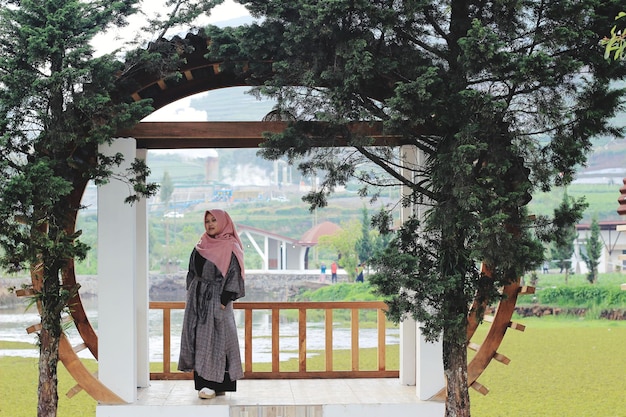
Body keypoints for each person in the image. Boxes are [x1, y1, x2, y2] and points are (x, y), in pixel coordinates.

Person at [178, 209, 245, 399]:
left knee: (218, 339)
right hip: (197, 300)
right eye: (207, 221)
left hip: (217, 300)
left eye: (214, 220)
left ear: (224, 222)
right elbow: (192, 271)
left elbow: (234, 274)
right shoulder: (201, 245)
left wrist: (223, 301)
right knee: (198, 338)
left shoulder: (230, 246)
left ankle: (214, 384)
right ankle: (204, 384)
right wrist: (192, 291)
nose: (210, 224)